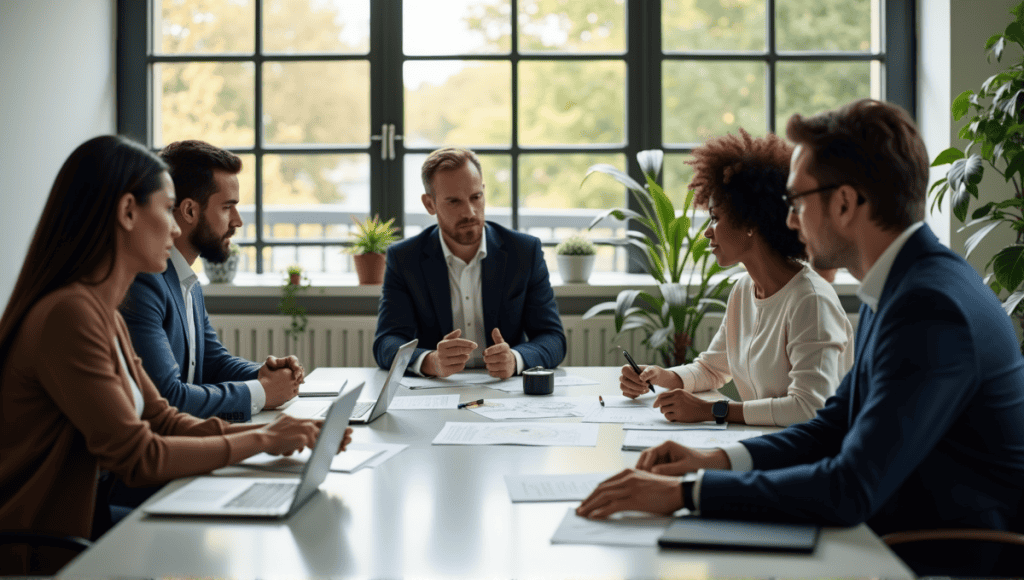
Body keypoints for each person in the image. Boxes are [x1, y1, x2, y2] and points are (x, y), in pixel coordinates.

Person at [578, 100, 1024, 569]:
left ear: (845, 202)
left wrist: (687, 493)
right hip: (899, 533)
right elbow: (833, 426)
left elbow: (849, 487)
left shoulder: (928, 307)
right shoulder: (904, 285)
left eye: (796, 202)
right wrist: (710, 461)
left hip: (943, 556)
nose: (788, 220)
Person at [0, 135, 351, 543]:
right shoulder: (69, 315)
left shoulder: (102, 313)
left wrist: (290, 431)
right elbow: (140, 456)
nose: (174, 226)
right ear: (128, 212)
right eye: (167, 210)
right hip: (48, 549)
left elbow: (163, 419)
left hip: (86, 529)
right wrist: (262, 438)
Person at [620, 129, 854, 427]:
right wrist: (663, 376)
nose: (707, 232)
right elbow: (713, 368)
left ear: (750, 222)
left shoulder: (812, 301)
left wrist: (712, 411)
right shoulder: (744, 290)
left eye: (716, 218)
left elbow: (809, 408)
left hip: (807, 459)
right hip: (764, 446)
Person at [121, 140, 303, 422]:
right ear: (190, 211)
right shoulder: (144, 283)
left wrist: (266, 375)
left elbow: (211, 362)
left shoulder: (186, 279)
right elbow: (169, 398)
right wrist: (263, 392)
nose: (238, 221)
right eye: (227, 207)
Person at [373, 147, 566, 378]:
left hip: (505, 389)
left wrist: (515, 359)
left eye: (476, 197)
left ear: (483, 191)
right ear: (429, 204)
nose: (470, 212)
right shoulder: (404, 259)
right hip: (438, 389)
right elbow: (387, 341)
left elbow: (553, 338)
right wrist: (429, 361)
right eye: (454, 202)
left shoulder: (524, 252)